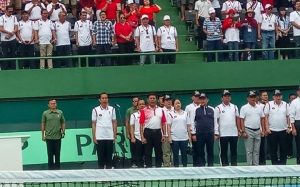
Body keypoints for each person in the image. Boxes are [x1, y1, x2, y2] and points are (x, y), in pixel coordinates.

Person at [140, 93, 166, 168]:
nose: (152, 100)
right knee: (148, 152)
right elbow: (141, 124)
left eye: (154, 98)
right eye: (150, 98)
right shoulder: (143, 110)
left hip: (158, 133)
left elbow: (163, 123)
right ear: (148, 100)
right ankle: (149, 169)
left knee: (159, 152)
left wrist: (164, 135)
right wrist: (142, 137)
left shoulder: (161, 110)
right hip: (148, 133)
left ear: (157, 100)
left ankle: (158, 168)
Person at [92, 92, 117, 169]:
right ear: (99, 100)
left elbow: (114, 122)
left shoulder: (112, 109)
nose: (104, 99)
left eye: (106, 98)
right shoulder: (95, 110)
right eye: (103, 98)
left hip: (109, 136)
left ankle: (108, 176)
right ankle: (101, 176)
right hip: (99, 137)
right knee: (101, 157)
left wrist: (114, 134)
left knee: (109, 157)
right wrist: (94, 136)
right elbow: (93, 123)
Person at [240, 90, 265, 166]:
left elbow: (262, 118)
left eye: (254, 97)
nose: (253, 98)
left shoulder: (259, 107)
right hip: (248, 130)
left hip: (258, 130)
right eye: (251, 97)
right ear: (248, 98)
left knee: (256, 150)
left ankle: (256, 166)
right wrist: (243, 131)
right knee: (249, 151)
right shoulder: (244, 108)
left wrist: (262, 130)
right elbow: (242, 119)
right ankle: (250, 167)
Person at [215, 90, 240, 166]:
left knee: (234, 151)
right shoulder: (218, 108)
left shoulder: (234, 107)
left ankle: (234, 167)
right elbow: (216, 121)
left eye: (228, 96)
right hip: (223, 134)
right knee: (223, 152)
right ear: (222, 98)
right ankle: (224, 167)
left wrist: (239, 130)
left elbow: (237, 119)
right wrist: (217, 132)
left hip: (234, 133)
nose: (227, 97)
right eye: (225, 96)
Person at [264, 89, 290, 165]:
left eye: (279, 95)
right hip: (272, 131)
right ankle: (274, 165)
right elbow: (266, 117)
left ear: (281, 96)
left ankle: (283, 165)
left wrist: (289, 127)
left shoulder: (286, 104)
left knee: (283, 149)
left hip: (283, 130)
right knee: (273, 149)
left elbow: (288, 116)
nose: (278, 97)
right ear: (273, 97)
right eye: (276, 96)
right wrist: (267, 128)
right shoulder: (268, 104)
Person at [41, 99, 66, 170]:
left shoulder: (60, 112)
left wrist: (63, 131)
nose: (53, 104)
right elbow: (43, 124)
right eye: (51, 103)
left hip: (58, 138)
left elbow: (63, 122)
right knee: (50, 156)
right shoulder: (45, 113)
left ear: (56, 104)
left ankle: (58, 173)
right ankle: (50, 173)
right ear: (48, 105)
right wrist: (43, 135)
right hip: (48, 138)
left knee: (57, 156)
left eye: (54, 103)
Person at [194, 92, 217, 167]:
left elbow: (215, 122)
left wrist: (216, 133)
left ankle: (210, 166)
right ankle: (202, 166)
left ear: (207, 100)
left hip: (210, 134)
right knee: (200, 151)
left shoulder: (212, 109)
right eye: (201, 99)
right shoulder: (196, 110)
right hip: (199, 134)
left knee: (210, 151)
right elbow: (192, 122)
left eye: (204, 99)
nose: (202, 100)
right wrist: (193, 133)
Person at [169, 98, 191, 167]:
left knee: (184, 154)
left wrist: (189, 137)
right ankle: (176, 169)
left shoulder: (185, 113)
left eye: (179, 103)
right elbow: (168, 126)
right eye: (176, 103)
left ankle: (185, 168)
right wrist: (169, 137)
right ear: (173, 105)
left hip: (184, 138)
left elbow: (188, 126)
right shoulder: (170, 114)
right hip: (174, 138)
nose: (178, 104)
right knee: (175, 155)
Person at [185, 90, 200, 166]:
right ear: (192, 97)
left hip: (202, 131)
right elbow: (186, 120)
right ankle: (195, 166)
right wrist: (189, 133)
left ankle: (202, 165)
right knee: (194, 150)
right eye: (196, 96)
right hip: (192, 132)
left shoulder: (203, 105)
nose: (197, 98)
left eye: (198, 96)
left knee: (201, 150)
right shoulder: (188, 107)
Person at [0, 5, 18, 70]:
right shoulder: (1, 18)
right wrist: (9, 33)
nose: (11, 12)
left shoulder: (14, 17)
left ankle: (13, 69)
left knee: (13, 54)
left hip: (13, 39)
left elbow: (16, 27)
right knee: (5, 55)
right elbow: (1, 28)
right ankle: (5, 69)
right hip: (4, 39)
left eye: (12, 11)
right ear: (6, 10)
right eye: (9, 11)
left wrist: (11, 33)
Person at [130, 99, 146, 168]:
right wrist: (132, 137)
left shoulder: (148, 114)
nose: (142, 105)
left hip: (147, 137)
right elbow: (132, 126)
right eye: (140, 104)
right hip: (137, 137)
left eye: (143, 104)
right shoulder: (134, 115)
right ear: (137, 106)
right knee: (139, 155)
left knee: (147, 154)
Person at [125, 97, 139, 167]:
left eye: (137, 101)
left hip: (141, 132)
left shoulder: (142, 109)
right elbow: (127, 122)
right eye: (134, 101)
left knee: (141, 148)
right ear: (132, 102)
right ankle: (134, 163)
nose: (135, 102)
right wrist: (127, 133)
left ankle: (141, 162)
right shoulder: (129, 110)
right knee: (133, 148)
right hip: (132, 132)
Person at [162, 94, 174, 167]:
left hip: (175, 135)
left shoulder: (175, 109)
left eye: (170, 100)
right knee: (166, 153)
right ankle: (166, 167)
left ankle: (174, 167)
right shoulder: (161, 110)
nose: (169, 102)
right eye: (167, 100)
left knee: (175, 152)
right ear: (163, 102)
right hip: (165, 135)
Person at [289, 86, 300, 164]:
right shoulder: (294, 102)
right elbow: (291, 115)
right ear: (297, 92)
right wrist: (293, 128)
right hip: (298, 123)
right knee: (299, 145)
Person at [287, 93, 297, 158]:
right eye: (292, 98)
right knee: (288, 141)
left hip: (297, 125)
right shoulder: (286, 106)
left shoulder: (298, 105)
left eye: (294, 98)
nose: (293, 100)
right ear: (289, 99)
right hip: (288, 126)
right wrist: (288, 126)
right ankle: (289, 154)